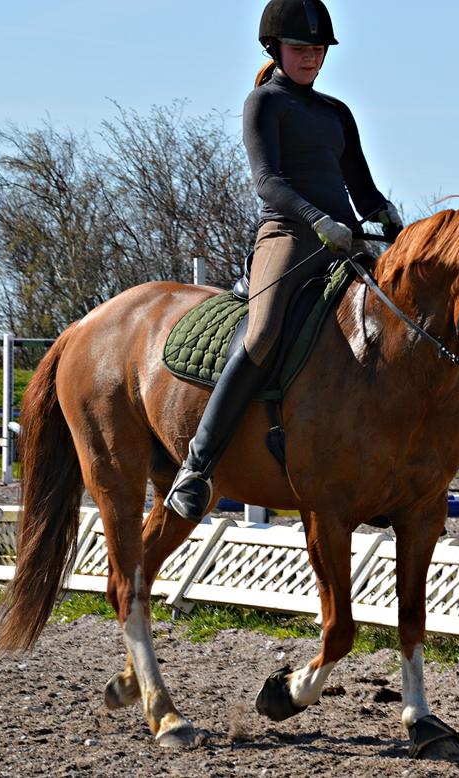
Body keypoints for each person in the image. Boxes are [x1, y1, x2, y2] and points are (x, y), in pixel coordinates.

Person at [165, 0, 404, 520]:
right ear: (275, 48)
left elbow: (361, 187)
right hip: (288, 236)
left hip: (345, 239)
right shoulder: (264, 103)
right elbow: (268, 182)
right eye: (301, 49)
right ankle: (197, 467)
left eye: (318, 50)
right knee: (264, 331)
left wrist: (388, 217)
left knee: (397, 323)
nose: (311, 58)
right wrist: (319, 220)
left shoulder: (336, 113)